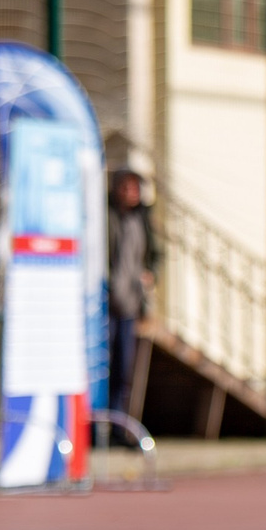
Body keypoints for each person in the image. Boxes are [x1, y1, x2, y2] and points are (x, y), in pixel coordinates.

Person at [106, 168, 156, 419]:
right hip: (105, 300)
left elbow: (154, 254)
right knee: (103, 363)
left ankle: (118, 422)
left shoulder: (143, 219)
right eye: (125, 188)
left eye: (134, 188)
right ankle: (98, 424)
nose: (130, 193)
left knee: (124, 366)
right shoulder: (106, 216)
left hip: (130, 302)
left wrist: (150, 273)